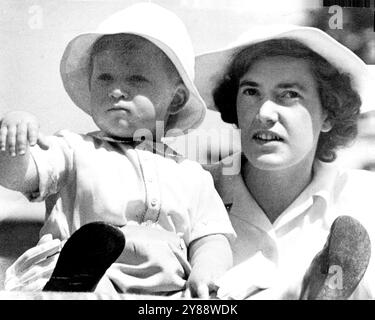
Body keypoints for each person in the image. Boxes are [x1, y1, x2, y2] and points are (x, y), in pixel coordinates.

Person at [0, 3, 235, 298]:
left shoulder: (193, 176)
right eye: (104, 78)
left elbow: (211, 238)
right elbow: (18, 176)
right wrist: (13, 141)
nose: (116, 90)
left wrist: (206, 272)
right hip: (88, 279)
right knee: (86, 288)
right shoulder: (73, 149)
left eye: (136, 79)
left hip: (163, 289)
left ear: (175, 99)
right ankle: (71, 283)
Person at [194, 25, 375, 299]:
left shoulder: (365, 200)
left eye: (289, 94)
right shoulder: (192, 191)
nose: (264, 113)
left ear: (328, 113)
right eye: (251, 92)